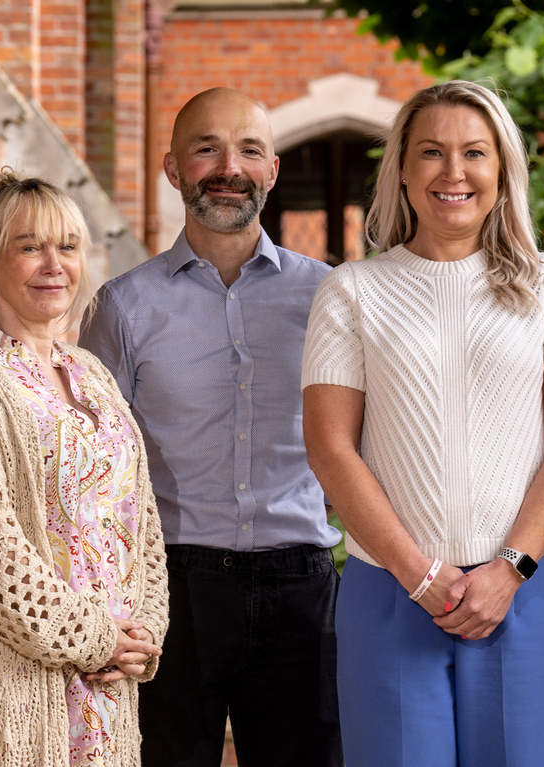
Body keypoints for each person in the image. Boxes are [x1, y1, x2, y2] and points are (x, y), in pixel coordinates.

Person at [302, 80, 544, 766]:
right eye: (432, 152)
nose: (454, 171)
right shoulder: (351, 290)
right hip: (391, 592)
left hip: (527, 592)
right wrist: (417, 573)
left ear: (502, 171)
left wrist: (508, 568)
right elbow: (330, 446)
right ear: (403, 170)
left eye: (475, 152)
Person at [79, 88, 343, 767]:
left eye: (250, 149)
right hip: (173, 590)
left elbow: (371, 441)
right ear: (173, 169)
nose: (230, 166)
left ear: (273, 170)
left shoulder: (329, 297)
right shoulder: (123, 307)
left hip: (301, 586)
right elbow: (95, 473)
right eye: (207, 149)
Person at [0, 169, 169, 767]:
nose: (54, 265)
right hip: (7, 691)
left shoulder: (93, 376)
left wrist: (145, 628)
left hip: (106, 693)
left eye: (68, 247)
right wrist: (97, 637)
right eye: (30, 247)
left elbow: (141, 522)